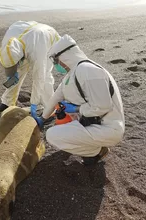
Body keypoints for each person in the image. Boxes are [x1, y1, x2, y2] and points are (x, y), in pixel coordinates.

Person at [32, 34, 125, 165]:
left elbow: (103, 106)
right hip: (93, 122)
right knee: (61, 124)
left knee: (52, 135)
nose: (57, 65)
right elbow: (56, 97)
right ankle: (93, 146)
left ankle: (97, 151)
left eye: (56, 61)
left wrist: (77, 109)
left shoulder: (88, 70)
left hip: (108, 128)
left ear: (65, 55)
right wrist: (43, 118)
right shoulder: (73, 73)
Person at [0, 21, 61, 120]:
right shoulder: (8, 43)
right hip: (28, 39)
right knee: (18, 71)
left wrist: (33, 103)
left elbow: (39, 77)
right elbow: (9, 58)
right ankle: (7, 102)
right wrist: (12, 73)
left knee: (45, 76)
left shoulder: (37, 50)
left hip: (48, 40)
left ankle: (49, 108)